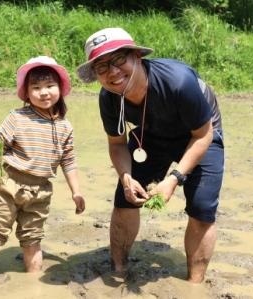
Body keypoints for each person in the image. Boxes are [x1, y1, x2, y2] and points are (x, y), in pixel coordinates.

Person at [76, 28, 224, 283]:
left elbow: (203, 136)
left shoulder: (178, 82)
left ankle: (194, 285)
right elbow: (117, 144)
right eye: (101, 67)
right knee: (125, 199)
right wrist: (125, 177)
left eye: (119, 59)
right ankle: (118, 269)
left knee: (202, 208)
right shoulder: (109, 98)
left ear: (137, 57)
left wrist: (174, 178)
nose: (112, 72)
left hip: (199, 134)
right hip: (152, 134)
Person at [0, 56, 86, 276]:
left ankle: (32, 287)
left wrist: (76, 192)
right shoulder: (17, 118)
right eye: (36, 88)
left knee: (32, 241)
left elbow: (68, 161)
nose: (44, 92)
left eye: (49, 86)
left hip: (40, 191)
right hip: (7, 185)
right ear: (26, 93)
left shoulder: (65, 126)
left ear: (60, 88)